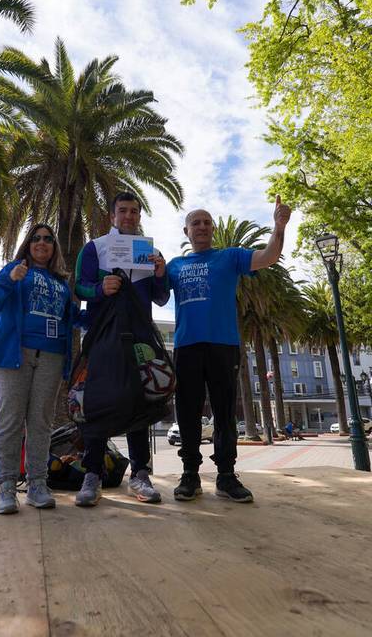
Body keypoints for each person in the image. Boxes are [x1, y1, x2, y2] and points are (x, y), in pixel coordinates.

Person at [167, 195, 291, 503]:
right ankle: (190, 475)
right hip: (186, 346)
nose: (202, 226)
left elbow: (269, 256)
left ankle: (225, 476)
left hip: (224, 346)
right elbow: (149, 289)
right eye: (195, 222)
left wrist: (279, 227)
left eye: (207, 222)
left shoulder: (230, 256)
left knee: (224, 412)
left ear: (213, 228)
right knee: (187, 412)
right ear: (186, 231)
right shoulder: (174, 266)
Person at [74, 191, 169, 506]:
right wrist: (100, 289)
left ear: (139, 216)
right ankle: (92, 475)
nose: (129, 216)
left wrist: (159, 274)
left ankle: (140, 475)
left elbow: (160, 298)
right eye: (123, 210)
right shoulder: (95, 248)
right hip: (103, 336)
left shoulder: (150, 252)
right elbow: (80, 286)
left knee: (139, 402)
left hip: (140, 337)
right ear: (112, 214)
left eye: (134, 211)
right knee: (97, 401)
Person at [0, 223, 74, 515]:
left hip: (51, 356)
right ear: (28, 243)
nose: (42, 243)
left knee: (41, 424)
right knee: (10, 420)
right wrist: (9, 279)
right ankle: (7, 487)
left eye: (48, 239)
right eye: (36, 238)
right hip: (13, 355)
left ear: (54, 247)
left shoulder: (61, 282)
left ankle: (37, 485)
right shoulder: (14, 269)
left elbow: (73, 319)